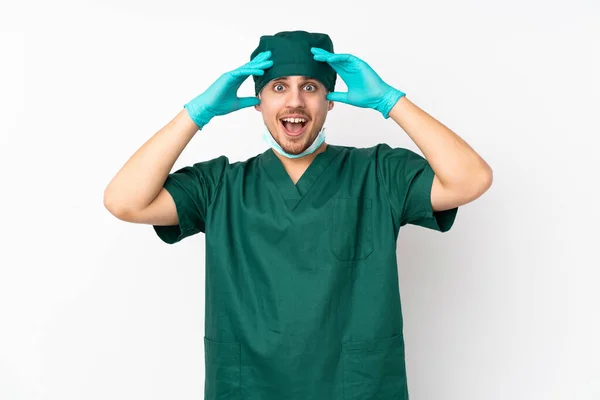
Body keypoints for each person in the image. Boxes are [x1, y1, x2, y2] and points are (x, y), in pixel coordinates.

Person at [104, 30, 492, 400]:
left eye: (310, 87)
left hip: (354, 388)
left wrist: (390, 101)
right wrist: (196, 113)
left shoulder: (378, 174)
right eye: (278, 87)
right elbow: (125, 201)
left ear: (330, 100)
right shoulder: (218, 185)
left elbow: (470, 179)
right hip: (249, 387)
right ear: (257, 102)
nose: (294, 102)